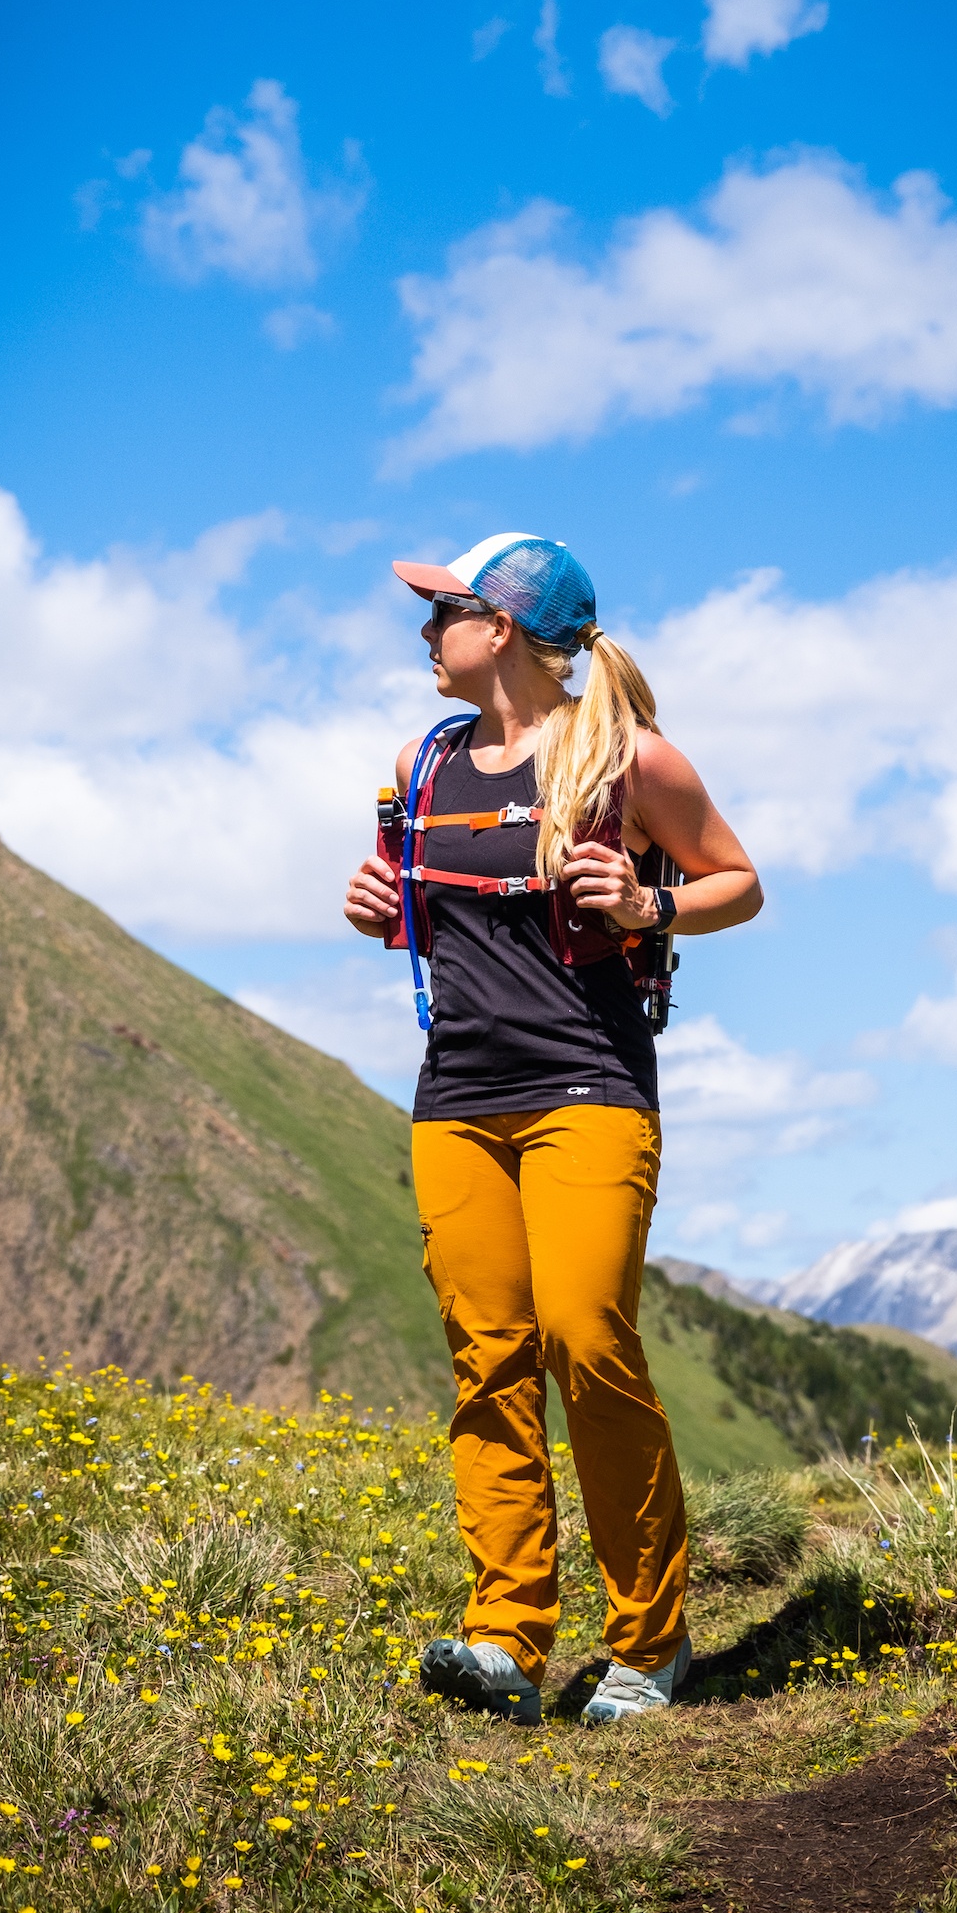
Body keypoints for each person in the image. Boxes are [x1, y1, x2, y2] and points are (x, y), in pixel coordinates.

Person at [343, 533, 762, 1726]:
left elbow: (738, 878)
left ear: (510, 631)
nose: (426, 634)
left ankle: (650, 1640)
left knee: (584, 1338)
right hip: (458, 1098)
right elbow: (427, 911)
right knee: (488, 1356)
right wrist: (382, 906)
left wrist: (651, 900)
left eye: (445, 614)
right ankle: (506, 1638)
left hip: (588, 1085)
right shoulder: (422, 762)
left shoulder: (627, 758)